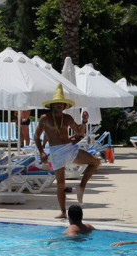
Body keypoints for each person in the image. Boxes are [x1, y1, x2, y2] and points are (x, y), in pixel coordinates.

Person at [35, 84, 101, 219]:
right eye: (57, 103)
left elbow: (80, 133)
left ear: (65, 106)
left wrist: (84, 121)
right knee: (60, 184)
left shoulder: (67, 118)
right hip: (56, 151)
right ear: (52, 105)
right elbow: (36, 136)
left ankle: (81, 187)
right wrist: (41, 151)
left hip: (69, 148)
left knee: (95, 162)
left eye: (61, 103)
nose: (59, 105)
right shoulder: (45, 118)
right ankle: (63, 212)